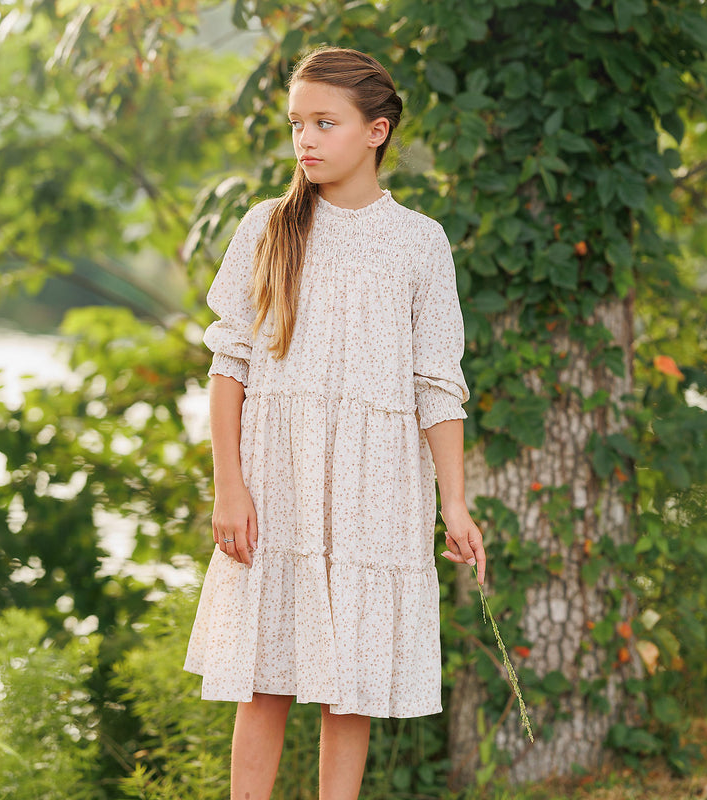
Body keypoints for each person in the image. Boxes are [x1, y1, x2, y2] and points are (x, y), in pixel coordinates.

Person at [183, 45, 486, 800]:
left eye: (325, 122)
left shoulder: (419, 241)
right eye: (297, 123)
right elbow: (230, 365)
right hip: (277, 479)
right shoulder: (268, 227)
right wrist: (229, 485)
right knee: (264, 675)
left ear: (376, 131)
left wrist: (454, 502)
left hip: (376, 487)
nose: (306, 140)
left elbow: (436, 386)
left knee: (350, 682)